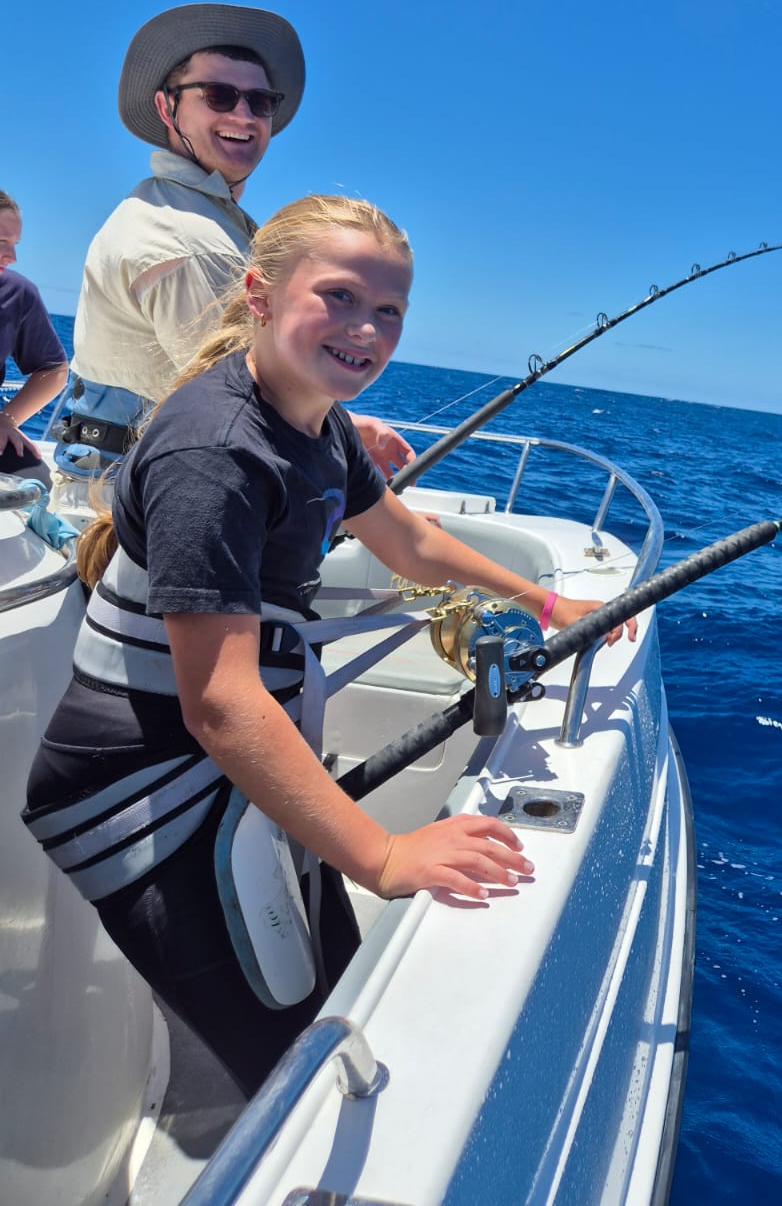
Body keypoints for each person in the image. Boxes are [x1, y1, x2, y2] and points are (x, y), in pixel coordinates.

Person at [24, 194, 635, 1096]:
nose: (367, 329)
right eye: (340, 297)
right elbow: (220, 701)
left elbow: (408, 541)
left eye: (389, 309)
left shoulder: (317, 421)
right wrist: (383, 857)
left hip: (229, 764)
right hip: (139, 788)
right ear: (259, 295)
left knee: (337, 996)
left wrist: (546, 602)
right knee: (296, 1069)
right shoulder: (216, 453)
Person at [55, 3, 410, 483]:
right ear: (166, 107)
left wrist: (346, 428)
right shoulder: (190, 238)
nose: (243, 115)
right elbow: (249, 401)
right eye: (219, 95)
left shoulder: (193, 216)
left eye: (260, 101)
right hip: (135, 502)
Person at [0, 189, 69, 486]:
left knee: (38, 487)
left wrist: (7, 419)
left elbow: (54, 370)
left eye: (14, 244)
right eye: (1, 242)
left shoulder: (18, 294)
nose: (12, 257)